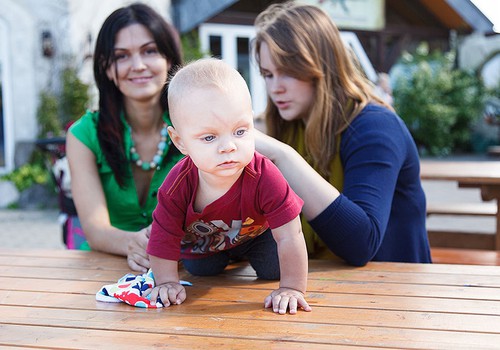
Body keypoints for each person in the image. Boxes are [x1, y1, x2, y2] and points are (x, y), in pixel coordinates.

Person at [252, 2, 431, 265]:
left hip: (392, 292)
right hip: (319, 288)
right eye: (268, 74)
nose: (275, 87)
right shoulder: (287, 125)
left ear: (323, 67)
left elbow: (362, 244)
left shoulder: (375, 126)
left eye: (288, 72)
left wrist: (283, 156)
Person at [146, 58, 311, 315]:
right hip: (206, 242)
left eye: (240, 131)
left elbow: (291, 234)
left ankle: (250, 258)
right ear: (180, 142)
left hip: (256, 235)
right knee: (203, 270)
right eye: (209, 137)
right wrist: (166, 282)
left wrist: (293, 287)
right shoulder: (177, 184)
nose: (228, 147)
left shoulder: (264, 174)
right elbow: (163, 236)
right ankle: (222, 258)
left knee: (273, 269)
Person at [66, 3, 184, 272]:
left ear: (169, 59)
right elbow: (95, 229)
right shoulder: (83, 134)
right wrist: (133, 243)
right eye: (121, 56)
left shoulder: (198, 127)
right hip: (103, 268)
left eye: (150, 51)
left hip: (183, 270)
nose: (138, 65)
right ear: (106, 68)